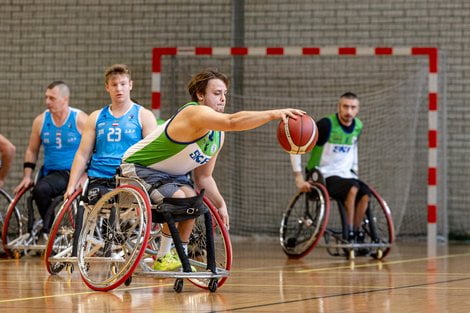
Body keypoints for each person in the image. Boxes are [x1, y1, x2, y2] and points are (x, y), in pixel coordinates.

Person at [120, 68, 305, 271]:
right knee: (181, 199)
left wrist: (220, 203)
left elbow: (204, 176)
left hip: (170, 176)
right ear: (200, 95)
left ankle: (175, 254)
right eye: (217, 93)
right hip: (138, 166)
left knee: (194, 201)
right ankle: (164, 256)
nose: (223, 99)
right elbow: (233, 121)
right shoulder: (193, 112)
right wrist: (274, 114)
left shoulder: (218, 135)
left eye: (224, 94)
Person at [64, 64, 158, 255]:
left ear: (130, 85)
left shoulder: (144, 115)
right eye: (114, 84)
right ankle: (80, 249)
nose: (119, 88)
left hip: (130, 179)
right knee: (90, 203)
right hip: (100, 177)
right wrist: (71, 184)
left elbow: (152, 155)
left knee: (125, 202)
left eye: (123, 83)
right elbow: (83, 153)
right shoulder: (96, 117)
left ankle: (130, 242)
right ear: (107, 87)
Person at [290, 92, 370, 244]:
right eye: (345, 107)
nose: (349, 111)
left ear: (358, 109)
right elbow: (296, 145)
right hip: (321, 175)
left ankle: (357, 232)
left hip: (346, 175)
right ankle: (350, 233)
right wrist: (299, 177)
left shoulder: (358, 125)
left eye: (353, 107)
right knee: (352, 188)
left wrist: (355, 170)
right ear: (338, 107)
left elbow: (354, 148)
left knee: (366, 193)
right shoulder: (326, 125)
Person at [14, 81, 88, 239]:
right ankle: (52, 227)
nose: (47, 101)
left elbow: (94, 148)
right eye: (46, 97)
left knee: (42, 189)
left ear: (65, 99)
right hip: (50, 173)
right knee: (40, 190)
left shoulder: (80, 119)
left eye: (52, 98)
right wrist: (27, 176)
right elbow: (32, 150)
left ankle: (50, 229)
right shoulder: (40, 121)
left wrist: (86, 174)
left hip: (72, 172)